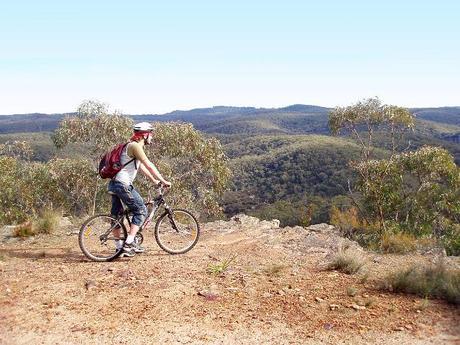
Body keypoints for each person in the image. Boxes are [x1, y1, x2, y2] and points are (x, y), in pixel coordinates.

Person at [108, 122, 171, 257]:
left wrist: (155, 181)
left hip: (114, 184)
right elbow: (149, 165)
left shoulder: (129, 145)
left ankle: (118, 248)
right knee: (141, 210)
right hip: (123, 185)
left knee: (117, 215)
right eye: (151, 135)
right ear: (145, 135)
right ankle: (128, 244)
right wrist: (164, 180)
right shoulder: (135, 146)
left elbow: (140, 166)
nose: (152, 138)